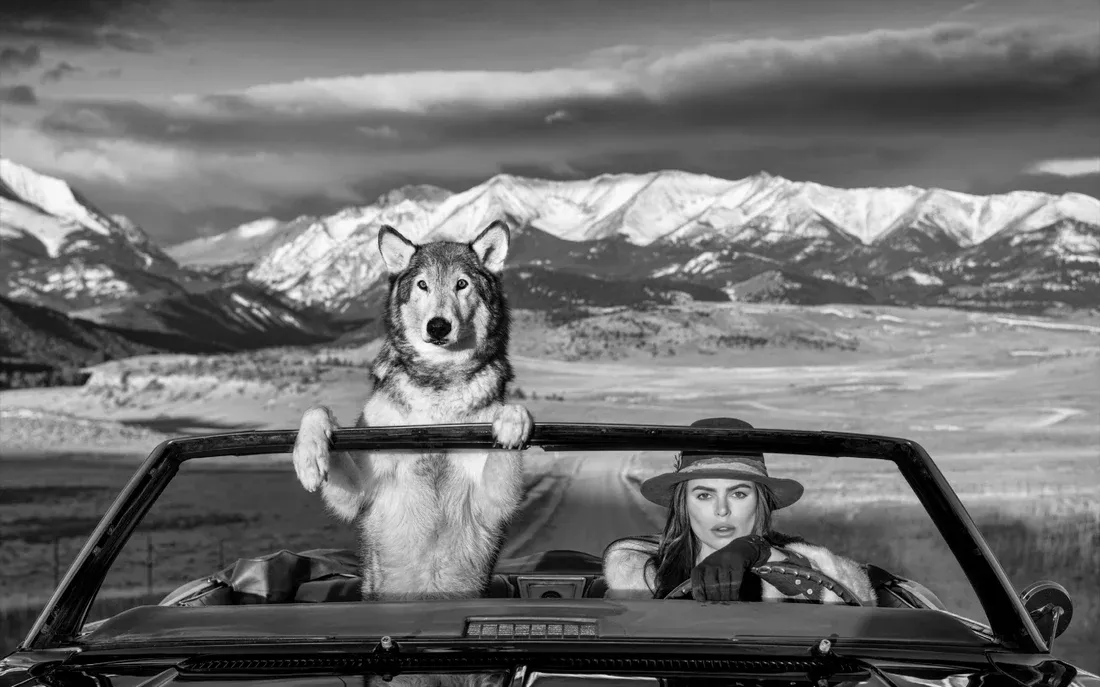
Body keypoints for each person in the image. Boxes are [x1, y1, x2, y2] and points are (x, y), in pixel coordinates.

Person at [602, 417, 878, 605]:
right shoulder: (645, 571)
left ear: (760, 500)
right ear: (683, 505)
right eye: (704, 495)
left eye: (738, 493)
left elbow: (856, 597)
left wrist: (760, 552)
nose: (722, 510)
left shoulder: (797, 560)